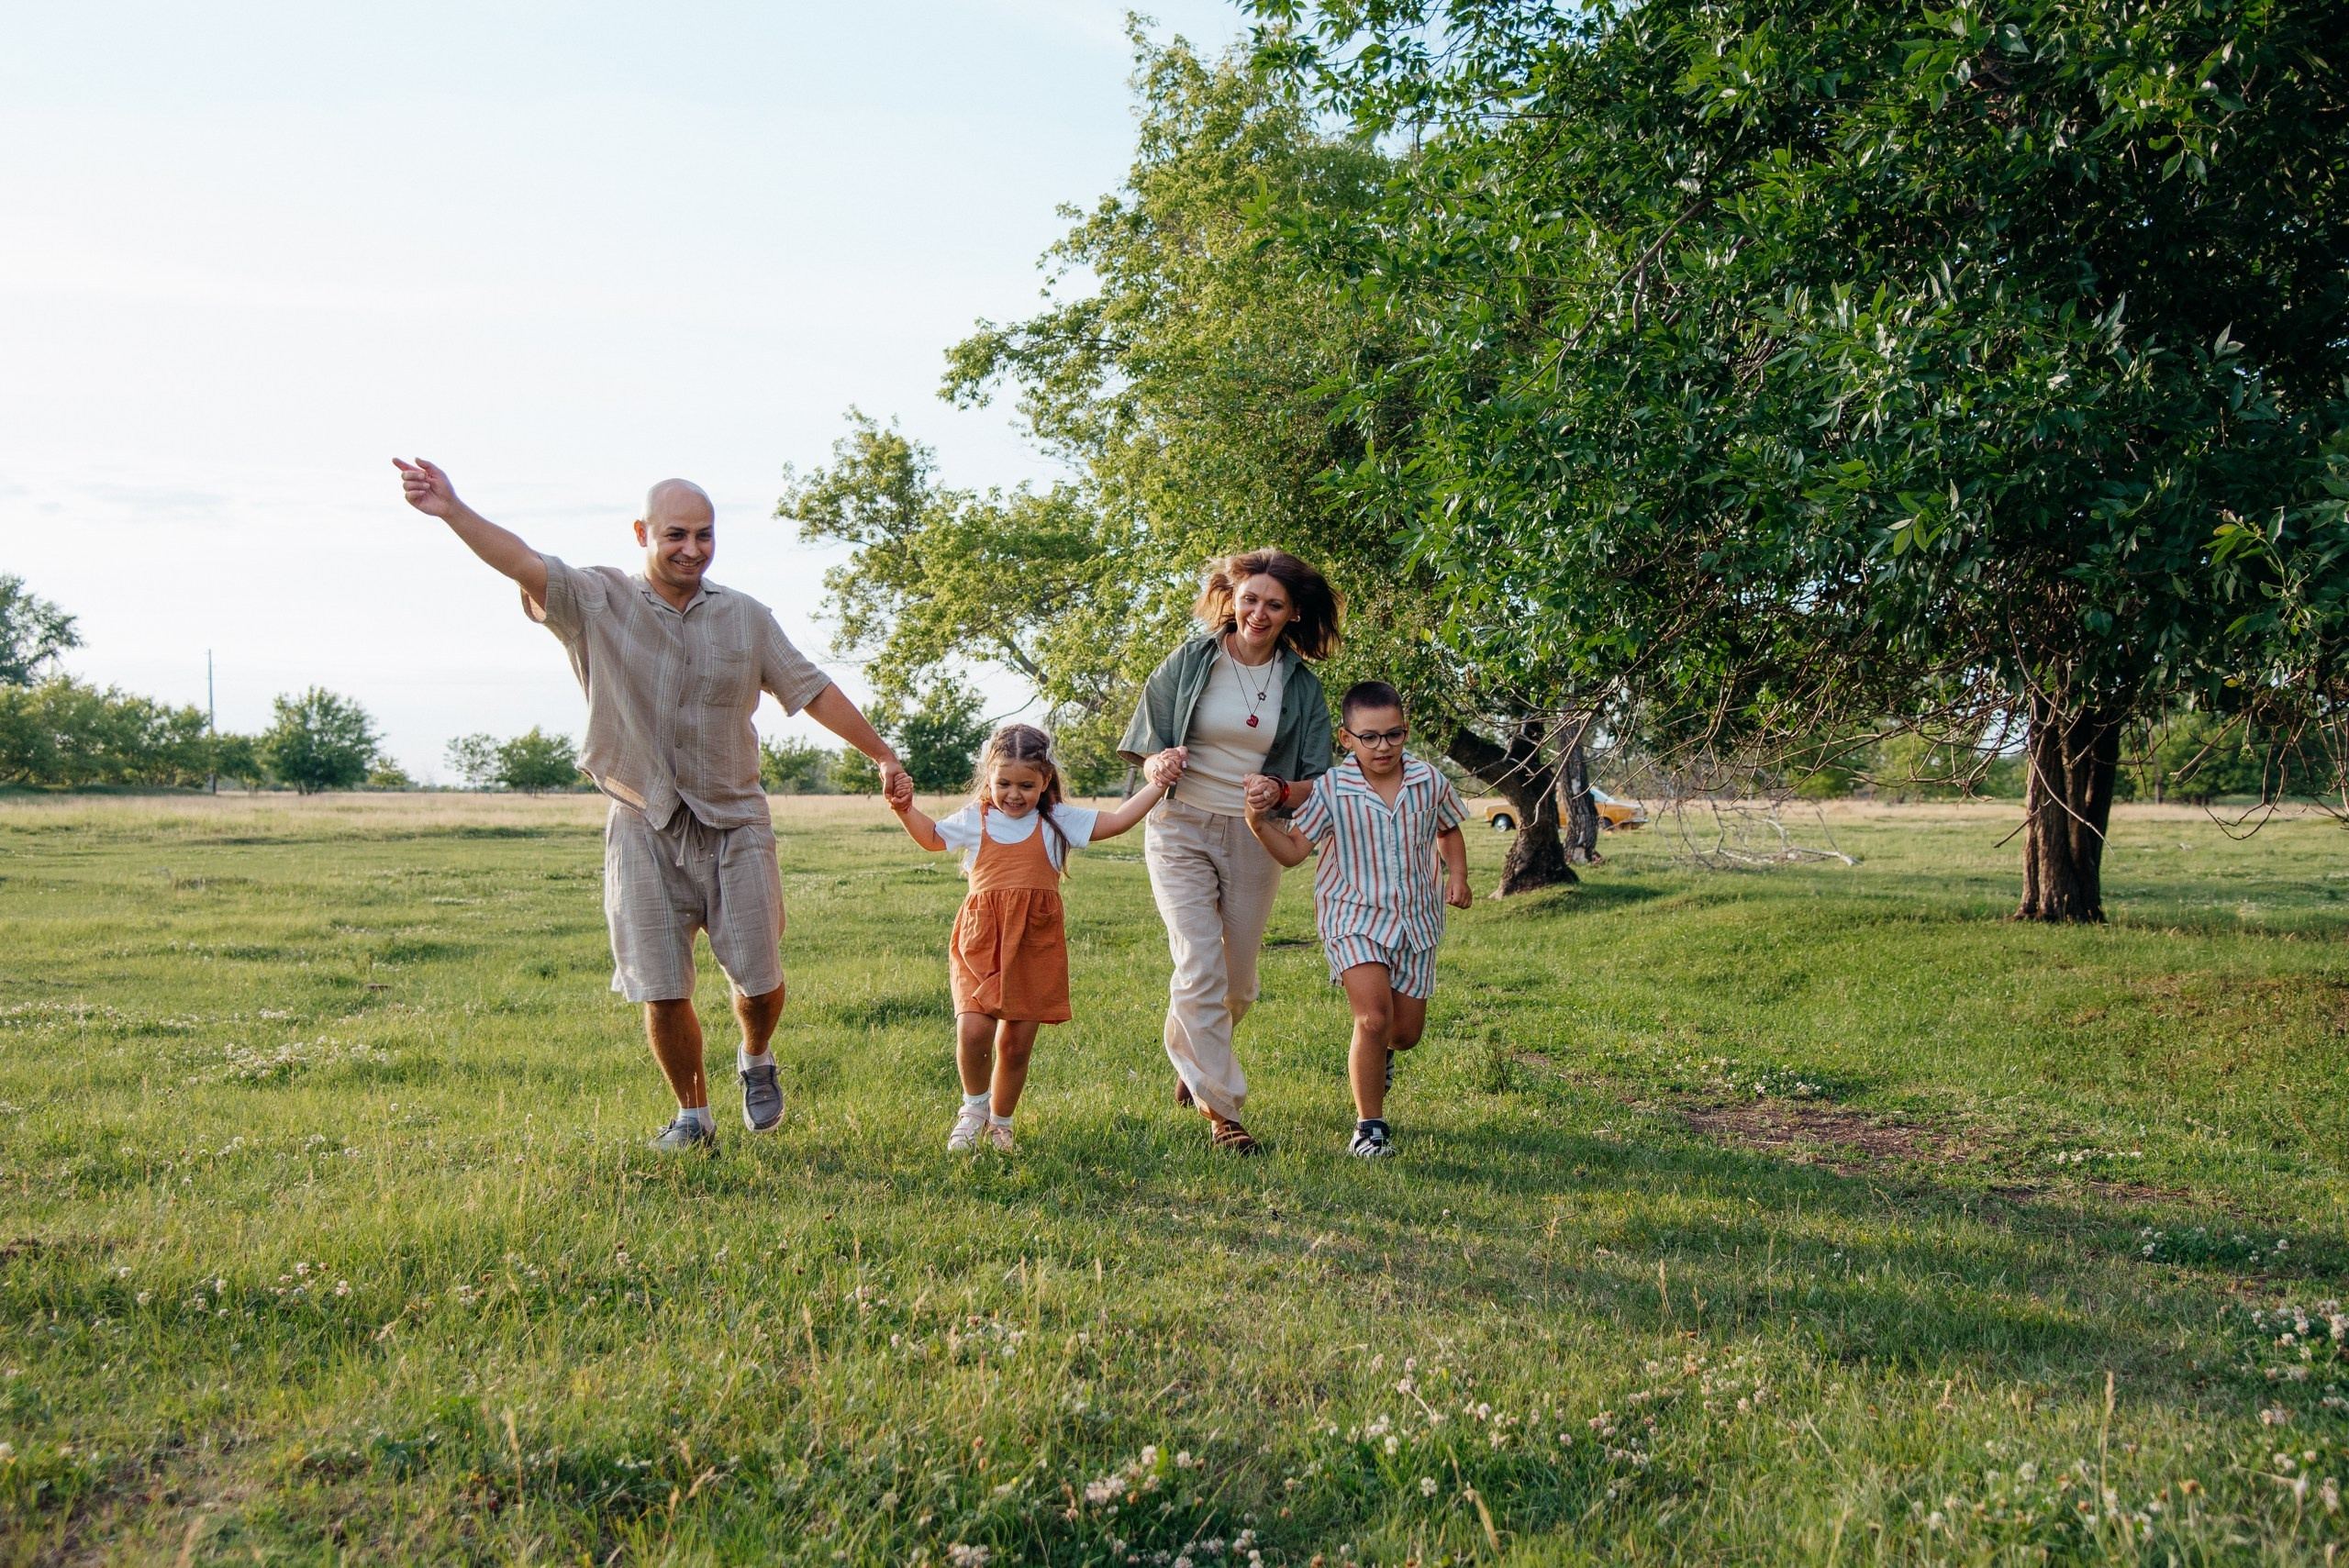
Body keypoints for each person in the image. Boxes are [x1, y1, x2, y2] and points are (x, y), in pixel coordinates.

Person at [394, 458, 908, 1151]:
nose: (691, 549)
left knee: (759, 978)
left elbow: (810, 688)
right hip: (643, 819)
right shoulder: (595, 600)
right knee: (661, 986)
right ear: (642, 532)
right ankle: (691, 1115)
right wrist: (453, 509)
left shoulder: (747, 618)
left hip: (736, 819)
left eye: (704, 534)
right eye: (675, 535)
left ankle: (756, 1054)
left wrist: (881, 753)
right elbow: (518, 559)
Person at [1119, 550, 1341, 1155]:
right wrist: (1156, 760)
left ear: (1293, 613)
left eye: (1274, 604)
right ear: (1232, 597)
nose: (1259, 612)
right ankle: (1224, 1113)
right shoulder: (1192, 659)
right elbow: (1147, 739)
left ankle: (1192, 1056)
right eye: (1250, 599)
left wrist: (1281, 789)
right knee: (1198, 964)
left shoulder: (1300, 685)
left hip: (1255, 833)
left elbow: (1318, 777)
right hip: (1180, 824)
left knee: (1237, 986)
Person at [885, 725, 1165, 1151]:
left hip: (1034, 944)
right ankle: (972, 1109)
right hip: (981, 941)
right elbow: (930, 837)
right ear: (988, 778)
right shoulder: (975, 819)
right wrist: (904, 808)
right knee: (974, 1030)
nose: (1014, 794)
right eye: (1003, 783)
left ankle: (1001, 1123)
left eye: (1026, 785)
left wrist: (1158, 784)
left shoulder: (1057, 821)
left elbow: (1120, 820)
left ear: (1045, 781)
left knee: (1015, 1045)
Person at [1242, 680, 1473, 1158]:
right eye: (1369, 736)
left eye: (1393, 735)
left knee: (1403, 1034)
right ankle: (1370, 1127)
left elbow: (1448, 829)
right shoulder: (1331, 790)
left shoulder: (1429, 781)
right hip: (1353, 917)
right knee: (1371, 1018)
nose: (1382, 746)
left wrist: (1458, 877)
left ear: (1406, 732)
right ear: (1347, 739)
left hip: (1416, 920)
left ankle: (1382, 1056)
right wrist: (1259, 824)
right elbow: (1292, 854)